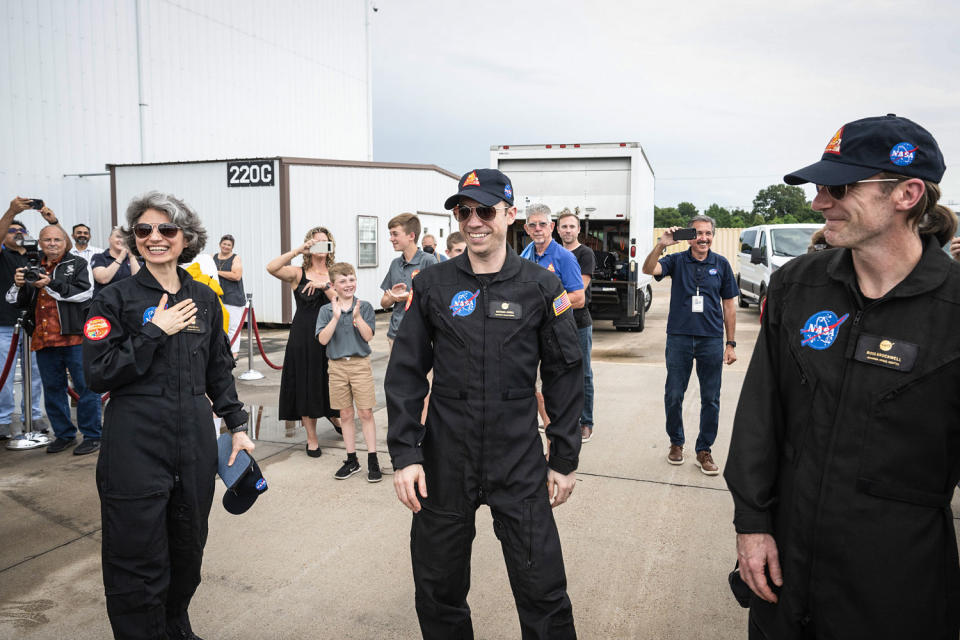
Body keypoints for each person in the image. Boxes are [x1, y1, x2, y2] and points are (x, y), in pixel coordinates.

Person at [725, 114, 960, 639]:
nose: (818, 202)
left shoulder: (953, 309)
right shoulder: (796, 287)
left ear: (907, 193)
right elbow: (760, 418)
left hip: (895, 588)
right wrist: (752, 525)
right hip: (785, 574)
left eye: (838, 186)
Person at [386, 168, 583, 639]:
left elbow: (564, 373)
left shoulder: (541, 286)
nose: (473, 221)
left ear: (510, 216)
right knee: (437, 589)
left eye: (485, 211)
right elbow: (406, 372)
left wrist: (565, 457)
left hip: (517, 458)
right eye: (463, 211)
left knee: (543, 591)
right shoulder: (432, 285)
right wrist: (406, 454)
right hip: (445, 458)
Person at [82, 191, 253, 640]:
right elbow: (98, 373)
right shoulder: (112, 300)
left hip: (192, 436)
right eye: (144, 230)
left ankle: (177, 625)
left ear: (185, 238)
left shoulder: (205, 297)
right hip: (134, 439)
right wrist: (153, 331)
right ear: (133, 238)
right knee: (135, 552)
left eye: (166, 230)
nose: (155, 238)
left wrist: (237, 425)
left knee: (187, 544)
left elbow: (218, 368)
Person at [641, 215, 738, 475]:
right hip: (679, 338)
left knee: (711, 398)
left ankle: (704, 450)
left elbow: (729, 306)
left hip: (711, 340)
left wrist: (730, 343)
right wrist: (661, 245)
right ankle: (676, 443)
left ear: (712, 236)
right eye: (697, 233)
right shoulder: (676, 260)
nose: (703, 238)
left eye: (707, 233)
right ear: (689, 236)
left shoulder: (722, 264)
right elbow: (648, 270)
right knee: (674, 395)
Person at [15, 222, 101, 455]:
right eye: (47, 240)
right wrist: (18, 285)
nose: (52, 244)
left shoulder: (78, 263)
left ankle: (93, 435)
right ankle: (64, 435)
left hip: (75, 337)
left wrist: (50, 283)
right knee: (53, 389)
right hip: (43, 338)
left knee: (86, 388)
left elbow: (84, 293)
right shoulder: (30, 265)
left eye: (57, 240)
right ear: (40, 243)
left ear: (66, 242)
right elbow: (15, 301)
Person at [267, 226, 340, 455]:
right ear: (310, 246)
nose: (321, 246)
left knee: (331, 380)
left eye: (325, 242)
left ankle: (333, 414)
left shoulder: (335, 273)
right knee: (306, 383)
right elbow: (272, 267)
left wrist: (326, 286)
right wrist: (298, 250)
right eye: (315, 242)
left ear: (330, 247)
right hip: (304, 335)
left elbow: (343, 302)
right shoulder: (298, 273)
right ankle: (311, 438)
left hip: (331, 333)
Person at [520, 204, 585, 431]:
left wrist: (550, 307)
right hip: (529, 333)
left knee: (556, 388)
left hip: (556, 334)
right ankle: (547, 425)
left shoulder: (564, 257)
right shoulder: (524, 256)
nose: (538, 229)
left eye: (543, 224)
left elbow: (578, 297)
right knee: (532, 384)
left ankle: (558, 436)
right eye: (533, 225)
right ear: (526, 228)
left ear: (552, 227)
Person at [315, 262, 380, 482]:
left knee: (366, 413)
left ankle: (373, 459)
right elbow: (323, 339)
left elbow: (368, 336)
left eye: (351, 279)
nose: (348, 284)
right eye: (342, 281)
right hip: (337, 367)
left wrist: (357, 317)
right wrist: (335, 317)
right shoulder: (325, 310)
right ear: (333, 285)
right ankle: (352, 460)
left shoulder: (365, 306)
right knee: (345, 415)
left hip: (360, 365)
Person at [0, 198, 44, 439]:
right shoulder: (3, 255)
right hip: (5, 326)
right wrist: (11, 212)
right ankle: (3, 419)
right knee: (3, 376)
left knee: (35, 375)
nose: (17, 233)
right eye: (12, 230)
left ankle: (34, 416)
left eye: (22, 230)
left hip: (33, 326)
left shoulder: (34, 255)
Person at [557, 210, 596, 442]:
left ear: (579, 229)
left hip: (579, 322)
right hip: (554, 323)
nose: (568, 231)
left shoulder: (585, 254)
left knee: (583, 374)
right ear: (557, 229)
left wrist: (551, 294)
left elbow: (577, 290)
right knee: (558, 373)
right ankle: (563, 418)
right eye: (564, 227)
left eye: (572, 226)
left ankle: (586, 422)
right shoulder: (553, 253)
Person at [379, 213, 438, 349]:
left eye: (395, 234)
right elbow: (384, 303)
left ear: (411, 236)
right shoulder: (395, 264)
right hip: (395, 335)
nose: (391, 239)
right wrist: (392, 297)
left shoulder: (428, 261)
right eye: (390, 234)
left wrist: (409, 296)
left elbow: (437, 300)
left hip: (421, 336)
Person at [212, 234, 245, 358]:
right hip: (217, 297)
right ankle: (221, 353)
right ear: (220, 244)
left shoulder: (235, 258)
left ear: (232, 247)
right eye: (224, 244)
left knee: (233, 327)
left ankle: (233, 354)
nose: (226, 246)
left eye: (229, 245)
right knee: (219, 326)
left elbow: (236, 275)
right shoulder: (212, 257)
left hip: (233, 298)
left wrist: (217, 272)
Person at [91, 226, 141, 298]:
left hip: (128, 302)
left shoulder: (134, 259)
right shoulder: (99, 257)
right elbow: (102, 279)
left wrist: (132, 257)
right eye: (118, 237)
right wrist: (120, 258)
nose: (122, 240)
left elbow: (138, 281)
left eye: (125, 238)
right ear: (109, 239)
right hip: (104, 302)